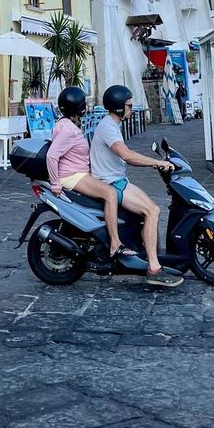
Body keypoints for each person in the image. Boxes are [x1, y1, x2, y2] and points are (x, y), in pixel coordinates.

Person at [90, 85, 183, 288]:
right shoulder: (108, 127)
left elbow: (126, 156)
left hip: (117, 180)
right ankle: (154, 268)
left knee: (148, 212)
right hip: (112, 183)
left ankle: (147, 256)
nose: (131, 109)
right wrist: (157, 162)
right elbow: (127, 155)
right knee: (152, 211)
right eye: (129, 106)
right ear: (117, 107)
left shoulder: (112, 125)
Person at [46, 87, 132, 261]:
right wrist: (55, 184)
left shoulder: (63, 124)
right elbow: (52, 155)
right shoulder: (69, 130)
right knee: (110, 193)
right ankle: (115, 244)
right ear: (80, 107)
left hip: (78, 173)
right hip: (73, 176)